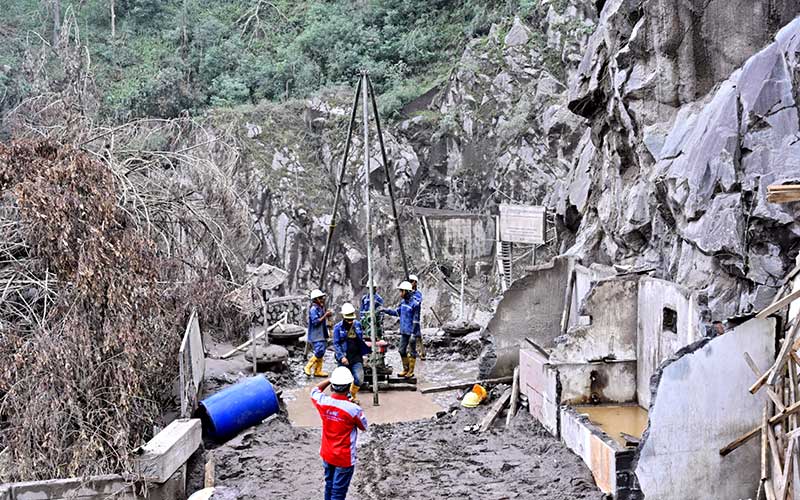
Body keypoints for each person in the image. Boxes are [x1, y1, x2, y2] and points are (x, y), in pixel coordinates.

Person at [311, 367, 368, 500]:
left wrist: (330, 379)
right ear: (349, 387)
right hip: (344, 457)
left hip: (327, 453)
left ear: (332, 386)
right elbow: (364, 426)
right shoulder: (353, 409)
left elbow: (314, 390)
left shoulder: (322, 402)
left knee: (329, 485)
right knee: (338, 492)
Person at [333, 302, 372, 404]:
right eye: (348, 319)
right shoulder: (338, 328)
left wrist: (364, 354)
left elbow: (361, 340)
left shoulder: (358, 325)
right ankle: (345, 399)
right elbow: (336, 344)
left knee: (359, 378)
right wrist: (341, 357)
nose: (350, 321)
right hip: (344, 357)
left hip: (356, 356)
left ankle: (351, 395)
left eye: (351, 319)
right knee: (343, 380)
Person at [382, 281, 420, 378]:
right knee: (401, 350)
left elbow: (416, 320)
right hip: (404, 331)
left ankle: (411, 371)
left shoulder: (415, 304)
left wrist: (413, 333)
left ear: (407, 292)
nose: (400, 294)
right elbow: (397, 313)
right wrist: (385, 310)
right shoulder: (403, 303)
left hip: (411, 331)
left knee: (412, 352)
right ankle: (405, 369)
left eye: (401, 291)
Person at [305, 288, 332, 377]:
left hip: (322, 333)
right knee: (319, 350)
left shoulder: (321, 308)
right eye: (320, 298)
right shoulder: (313, 309)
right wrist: (325, 315)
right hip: (316, 334)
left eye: (322, 298)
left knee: (322, 351)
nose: (322, 299)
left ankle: (318, 370)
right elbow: (315, 322)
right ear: (315, 299)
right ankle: (308, 367)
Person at [408, 274, 424, 359]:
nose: (410, 283)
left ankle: (422, 353)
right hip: (408, 317)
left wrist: (411, 295)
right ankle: (411, 352)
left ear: (415, 283)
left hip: (415, 317)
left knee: (417, 335)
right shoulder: (407, 293)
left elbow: (417, 302)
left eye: (411, 281)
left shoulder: (418, 294)